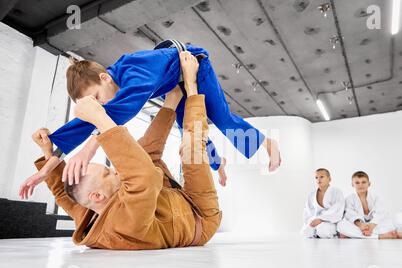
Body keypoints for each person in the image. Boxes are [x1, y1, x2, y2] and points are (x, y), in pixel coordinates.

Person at [20, 51, 221, 250]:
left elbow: (62, 193)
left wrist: (48, 155)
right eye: (108, 173)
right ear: (98, 196)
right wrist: (100, 118)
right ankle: (190, 86)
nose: (115, 169)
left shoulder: (89, 207)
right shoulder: (125, 223)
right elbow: (145, 177)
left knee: (144, 154)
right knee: (190, 150)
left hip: (163, 199)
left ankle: (173, 99)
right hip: (200, 215)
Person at [21, 42, 281, 191]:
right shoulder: (112, 86)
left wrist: (88, 150)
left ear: (104, 78)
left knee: (220, 117)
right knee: (189, 136)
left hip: (194, 64)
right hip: (174, 83)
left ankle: (268, 143)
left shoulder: (135, 72)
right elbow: (86, 122)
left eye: (97, 97)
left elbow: (118, 115)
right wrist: (46, 169)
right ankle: (218, 164)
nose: (99, 104)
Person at [337, 171, 397, 239]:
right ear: (352, 184)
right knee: (341, 225)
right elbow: (350, 214)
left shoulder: (375, 197)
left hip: (374, 224)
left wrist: (371, 225)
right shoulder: (349, 199)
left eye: (363, 182)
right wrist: (361, 225)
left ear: (369, 184)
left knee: (390, 224)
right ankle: (379, 236)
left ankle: (354, 235)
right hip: (359, 225)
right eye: (357, 183)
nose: (360, 185)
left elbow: (380, 213)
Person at [301, 168, 344, 239]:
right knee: (306, 232)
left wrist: (321, 219)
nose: (318, 179)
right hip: (315, 220)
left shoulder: (337, 192)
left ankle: (332, 233)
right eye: (316, 177)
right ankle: (316, 233)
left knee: (323, 230)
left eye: (321, 177)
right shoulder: (312, 194)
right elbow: (307, 211)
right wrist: (312, 220)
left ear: (329, 179)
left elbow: (337, 210)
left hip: (329, 221)